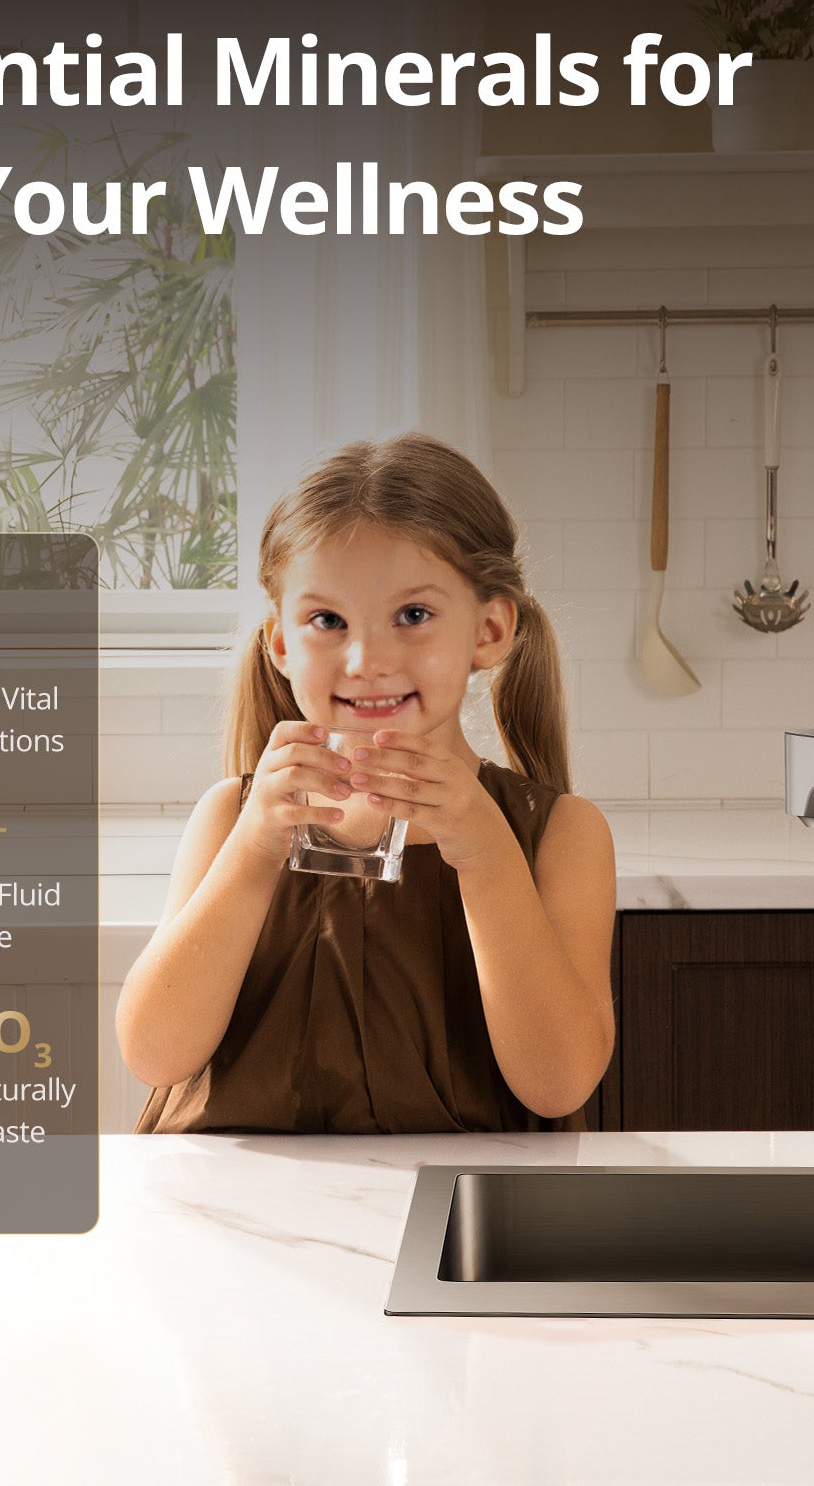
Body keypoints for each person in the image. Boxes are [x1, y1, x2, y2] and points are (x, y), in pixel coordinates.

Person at [117, 432, 617, 1133]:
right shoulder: (230, 816)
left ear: (491, 628)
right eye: (327, 620)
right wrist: (256, 849)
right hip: (233, 1212)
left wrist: (483, 848)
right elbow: (153, 1054)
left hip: (456, 1198)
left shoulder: (562, 833)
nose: (365, 658)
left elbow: (558, 1084)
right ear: (283, 644)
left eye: (413, 616)